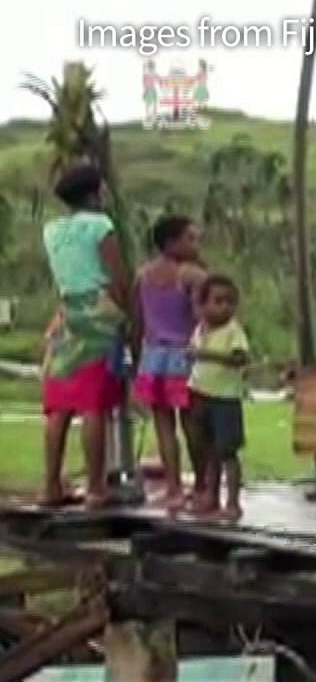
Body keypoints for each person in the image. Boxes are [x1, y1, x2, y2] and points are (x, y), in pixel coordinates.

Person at [39, 164, 132, 509]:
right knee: (95, 404)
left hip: (67, 313)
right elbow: (116, 275)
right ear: (95, 193)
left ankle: (50, 486)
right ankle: (96, 487)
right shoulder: (100, 225)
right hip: (100, 310)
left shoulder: (51, 230)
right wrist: (130, 318)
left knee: (59, 405)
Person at [134, 215, 206, 510]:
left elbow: (137, 321)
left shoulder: (142, 276)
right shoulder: (191, 276)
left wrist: (137, 355)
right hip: (183, 356)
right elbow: (203, 319)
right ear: (171, 242)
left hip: (152, 357)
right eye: (190, 238)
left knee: (164, 426)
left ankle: (173, 487)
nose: (195, 244)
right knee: (193, 425)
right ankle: (202, 485)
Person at [188, 274, 250, 521]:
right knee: (208, 450)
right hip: (200, 393)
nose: (224, 306)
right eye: (218, 301)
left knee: (227, 452)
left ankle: (233, 502)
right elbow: (194, 354)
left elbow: (240, 358)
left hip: (225, 399)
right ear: (202, 305)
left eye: (229, 301)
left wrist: (208, 355)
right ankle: (210, 496)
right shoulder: (200, 329)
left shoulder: (233, 331)